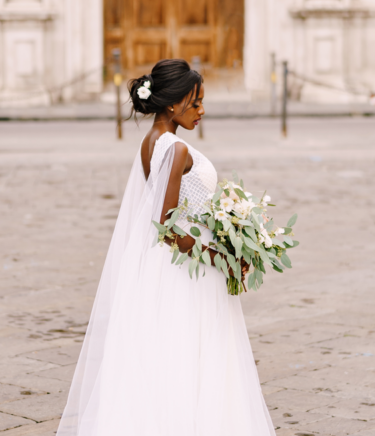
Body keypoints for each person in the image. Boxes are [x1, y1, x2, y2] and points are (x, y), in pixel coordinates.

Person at [57, 59, 275, 435]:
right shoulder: (175, 149)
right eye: (196, 103)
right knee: (196, 358)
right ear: (172, 104)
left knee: (168, 358)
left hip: (166, 269)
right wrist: (220, 256)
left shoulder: (151, 142)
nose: (202, 111)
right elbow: (167, 226)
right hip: (188, 269)